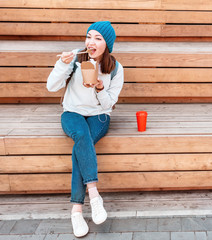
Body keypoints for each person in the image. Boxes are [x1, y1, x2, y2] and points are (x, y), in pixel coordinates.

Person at [47, 21, 124, 238]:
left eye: (98, 38)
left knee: (81, 145)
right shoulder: (74, 57)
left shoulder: (115, 68)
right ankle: (94, 195)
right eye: (89, 36)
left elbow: (109, 104)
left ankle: (76, 210)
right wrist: (63, 65)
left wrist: (100, 88)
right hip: (72, 113)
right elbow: (51, 86)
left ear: (107, 44)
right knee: (81, 136)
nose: (91, 42)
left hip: (99, 116)